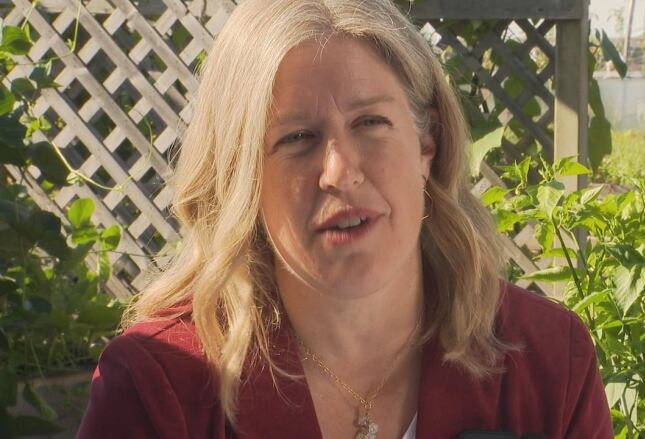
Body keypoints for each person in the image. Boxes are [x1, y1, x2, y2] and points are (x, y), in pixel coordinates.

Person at [77, 0, 613, 438]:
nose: (339, 171)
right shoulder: (156, 384)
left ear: (428, 142)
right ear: (240, 175)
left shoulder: (550, 359)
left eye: (370, 122)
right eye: (296, 138)